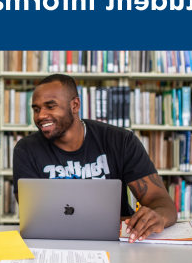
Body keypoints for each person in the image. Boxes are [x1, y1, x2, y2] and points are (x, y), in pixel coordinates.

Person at [13, 74, 177, 243]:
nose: (40, 116)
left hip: (118, 240)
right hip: (56, 241)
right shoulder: (26, 149)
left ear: (75, 105)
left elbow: (161, 201)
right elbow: (33, 216)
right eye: (36, 109)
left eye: (50, 106)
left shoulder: (121, 141)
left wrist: (159, 217)